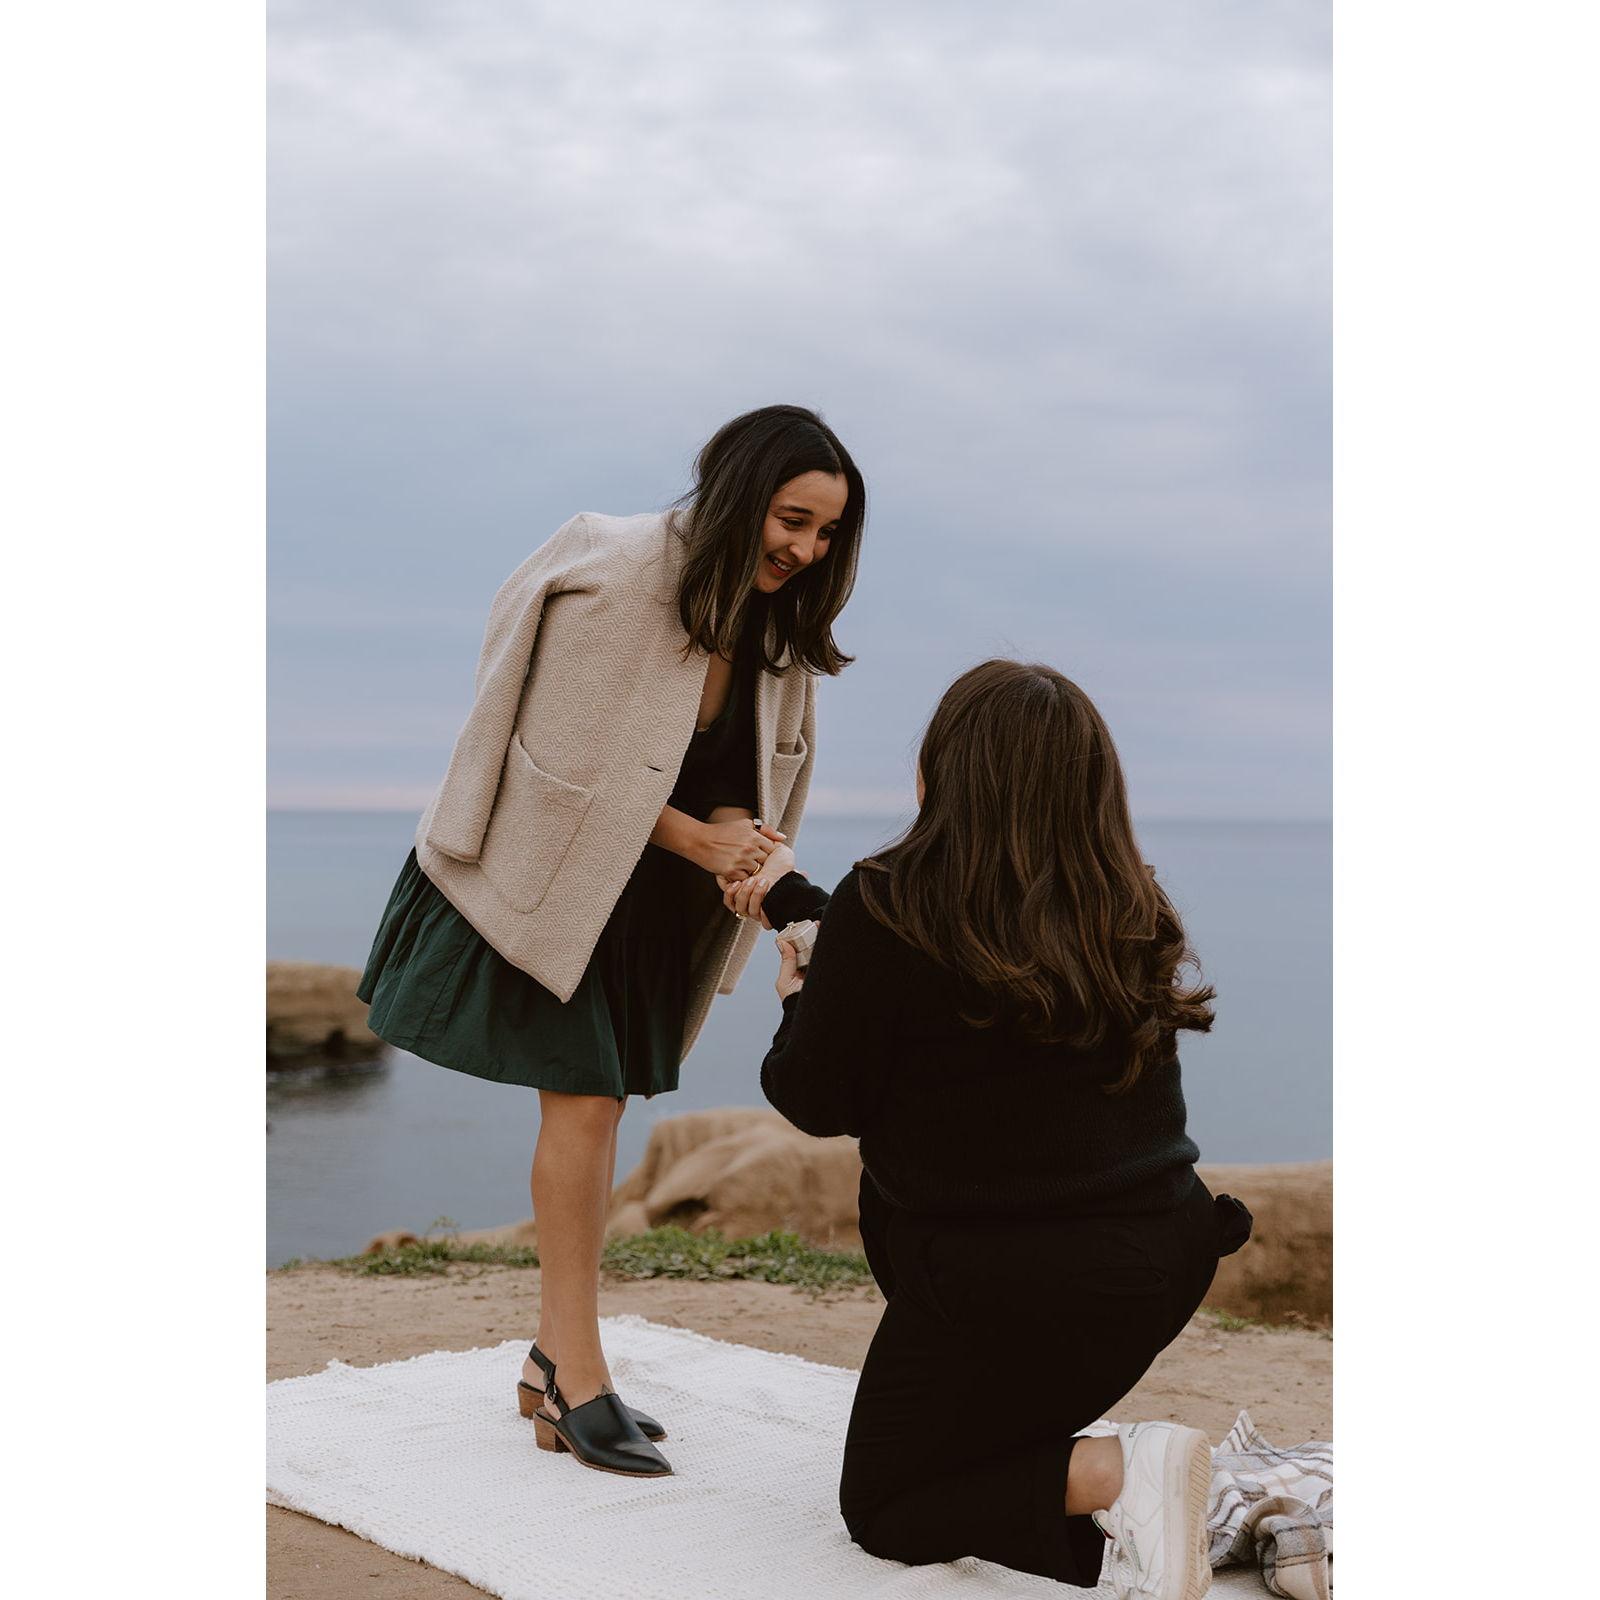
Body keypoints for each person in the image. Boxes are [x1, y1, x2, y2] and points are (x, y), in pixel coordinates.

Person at [357, 405, 865, 1477]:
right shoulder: (615, 563)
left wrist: (748, 861)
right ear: (738, 491)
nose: (806, 549)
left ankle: (563, 1354)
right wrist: (700, 839)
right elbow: (548, 741)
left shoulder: (775, 626)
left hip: (652, 901)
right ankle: (570, 1371)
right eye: (791, 518)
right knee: (584, 1104)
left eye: (827, 532)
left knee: (601, 1106)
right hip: (561, 871)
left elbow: (746, 780)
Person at [721, 659, 1252, 1597]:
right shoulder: (1125, 903)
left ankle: (1134, 1478)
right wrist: (793, 899)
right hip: (1157, 1266)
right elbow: (944, 958)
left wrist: (798, 1001)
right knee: (989, 1450)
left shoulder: (892, 904)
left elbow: (816, 1098)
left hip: (1007, 1293)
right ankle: (1207, 1521)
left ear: (937, 774)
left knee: (887, 1503)